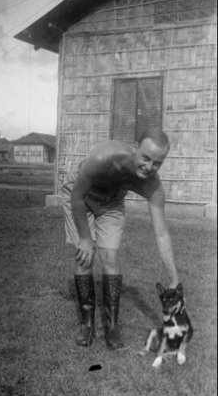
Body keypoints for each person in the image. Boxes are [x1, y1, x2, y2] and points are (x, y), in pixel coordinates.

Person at [61, 130, 180, 348]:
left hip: (112, 202)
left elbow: (161, 233)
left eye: (157, 163)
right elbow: (76, 196)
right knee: (84, 257)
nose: (149, 167)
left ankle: (111, 327)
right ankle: (87, 325)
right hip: (80, 197)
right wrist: (86, 239)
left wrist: (174, 278)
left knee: (110, 257)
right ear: (135, 147)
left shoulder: (152, 186)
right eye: (145, 158)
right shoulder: (103, 157)